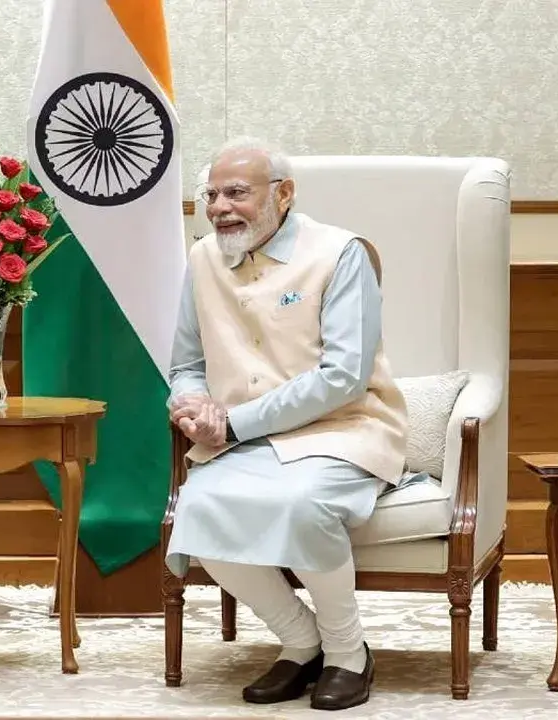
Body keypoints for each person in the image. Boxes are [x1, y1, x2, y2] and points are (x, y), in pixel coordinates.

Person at [164, 138, 408, 711]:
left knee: (303, 505)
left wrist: (234, 423)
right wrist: (191, 405)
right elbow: (186, 364)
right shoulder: (202, 258)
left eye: (237, 194)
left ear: (284, 194)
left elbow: (344, 376)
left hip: (344, 430)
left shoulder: (340, 253)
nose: (221, 207)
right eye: (212, 195)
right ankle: (302, 644)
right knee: (198, 510)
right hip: (243, 440)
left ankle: (349, 654)